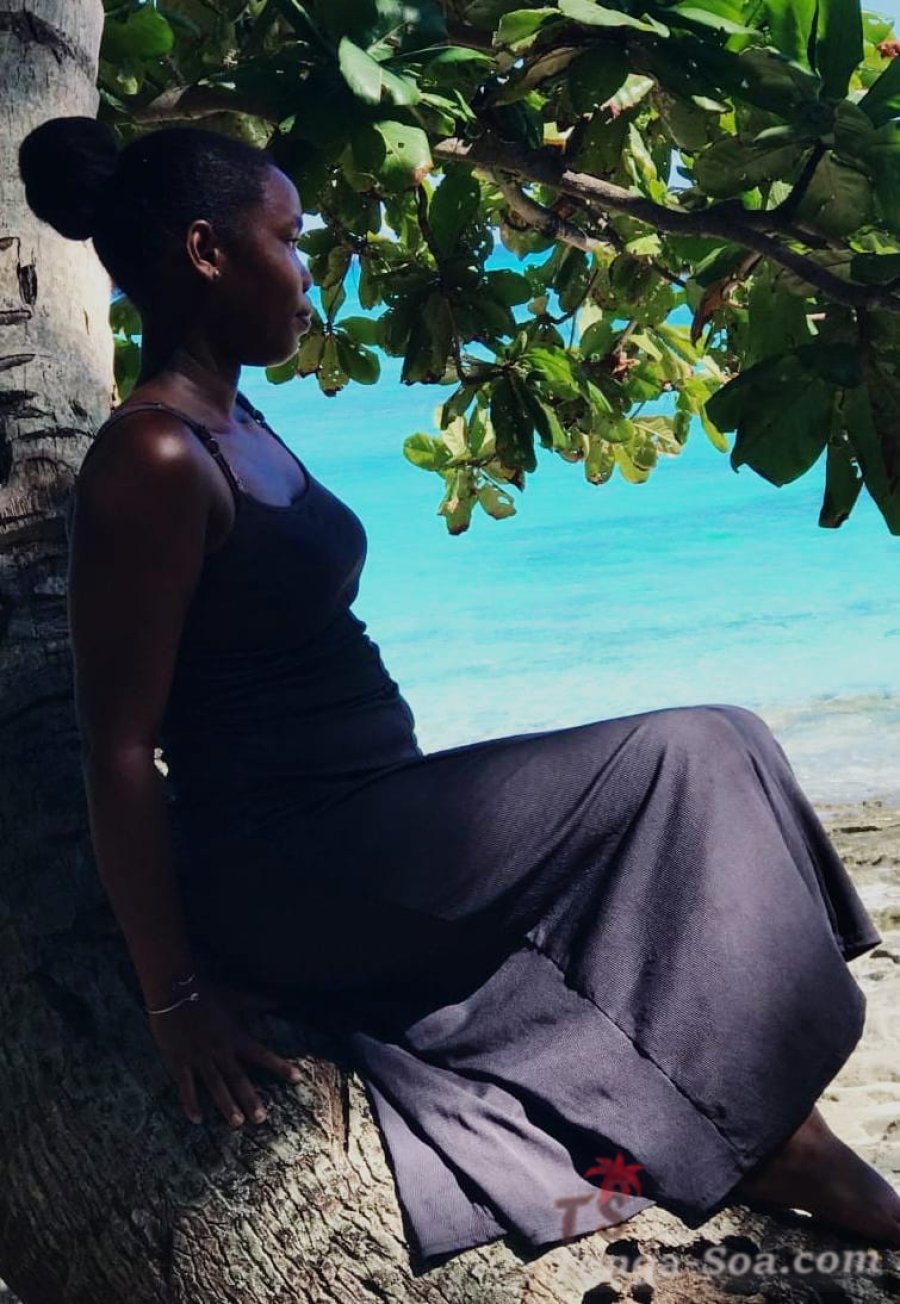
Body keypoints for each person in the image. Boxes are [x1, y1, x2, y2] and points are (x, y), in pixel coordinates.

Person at [18, 115, 900, 1266]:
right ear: (205, 251)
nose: (311, 272)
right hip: (293, 857)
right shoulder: (154, 455)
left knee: (681, 801)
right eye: (291, 239)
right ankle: (787, 1143)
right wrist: (173, 996)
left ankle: (778, 1127)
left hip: (373, 815)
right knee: (698, 749)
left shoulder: (237, 418)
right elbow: (119, 748)